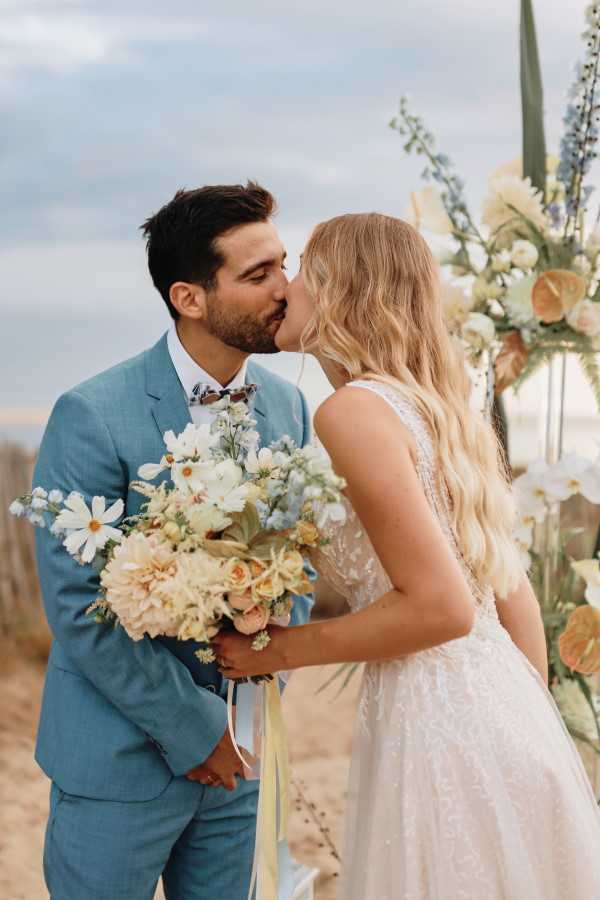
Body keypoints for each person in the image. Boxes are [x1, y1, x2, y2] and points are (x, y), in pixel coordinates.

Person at [213, 212, 600, 899]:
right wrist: (525, 723)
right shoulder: (442, 408)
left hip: (439, 714)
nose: (287, 288)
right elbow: (510, 592)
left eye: (303, 268)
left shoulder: (352, 412)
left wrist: (274, 651)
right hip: (501, 702)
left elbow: (442, 607)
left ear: (340, 290)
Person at [33, 181, 313, 900]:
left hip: (245, 757)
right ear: (190, 298)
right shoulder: (91, 414)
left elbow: (301, 559)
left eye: (285, 264)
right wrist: (198, 731)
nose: (287, 289)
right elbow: (76, 604)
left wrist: (263, 681)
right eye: (259, 275)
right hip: (119, 762)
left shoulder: (289, 407)